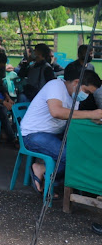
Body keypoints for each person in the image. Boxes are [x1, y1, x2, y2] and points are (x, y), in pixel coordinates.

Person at [21, 66, 102, 195]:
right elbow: (57, 112)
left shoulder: (74, 96)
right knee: (69, 157)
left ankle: (49, 176)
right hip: (33, 135)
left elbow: (73, 116)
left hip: (53, 135)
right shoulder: (55, 86)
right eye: (87, 91)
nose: (87, 96)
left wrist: (93, 120)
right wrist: (91, 114)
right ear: (76, 82)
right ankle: (43, 172)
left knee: (81, 152)